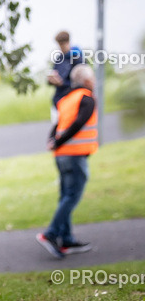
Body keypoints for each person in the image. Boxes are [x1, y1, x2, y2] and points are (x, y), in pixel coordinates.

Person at [37, 64, 98, 259]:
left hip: (61, 155)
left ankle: (66, 238)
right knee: (72, 196)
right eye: (93, 78)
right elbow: (78, 123)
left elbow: (58, 124)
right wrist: (58, 141)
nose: (94, 82)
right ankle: (51, 234)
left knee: (65, 196)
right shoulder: (87, 98)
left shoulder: (66, 99)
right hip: (74, 155)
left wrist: (53, 141)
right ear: (87, 81)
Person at [47, 31, 84, 123]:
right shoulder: (59, 58)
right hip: (58, 100)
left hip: (72, 100)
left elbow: (81, 82)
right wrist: (51, 80)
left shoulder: (77, 58)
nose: (61, 48)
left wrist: (62, 83)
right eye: (59, 45)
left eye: (62, 45)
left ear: (68, 42)